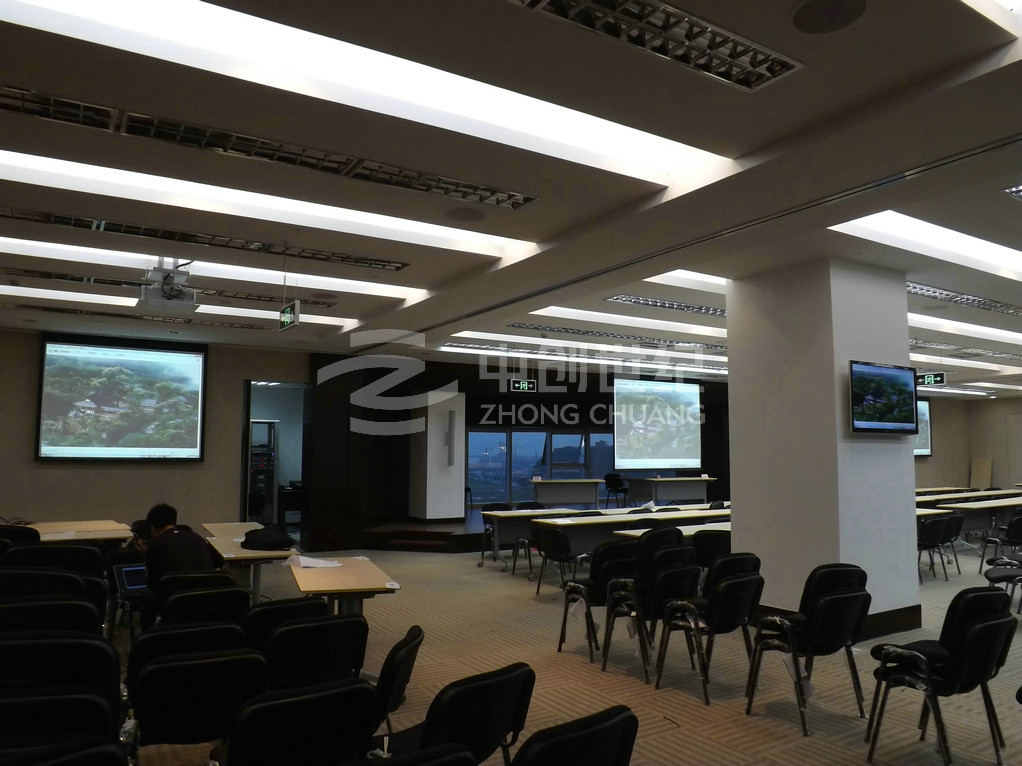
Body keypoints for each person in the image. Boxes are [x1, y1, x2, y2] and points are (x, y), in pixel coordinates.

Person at [135, 503, 214, 628]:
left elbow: (153, 585)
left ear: (152, 527)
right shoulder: (197, 538)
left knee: (146, 596)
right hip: (207, 598)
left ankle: (148, 635)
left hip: (175, 601)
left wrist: (146, 556)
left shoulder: (156, 547)